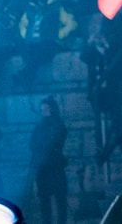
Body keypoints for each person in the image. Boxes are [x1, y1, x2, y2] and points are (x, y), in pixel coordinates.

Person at [30, 96, 68, 224]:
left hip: (55, 166)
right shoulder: (40, 125)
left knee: (60, 198)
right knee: (44, 199)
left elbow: (54, 141)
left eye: (47, 109)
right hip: (43, 166)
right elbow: (32, 144)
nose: (44, 111)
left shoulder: (58, 124)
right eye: (43, 109)